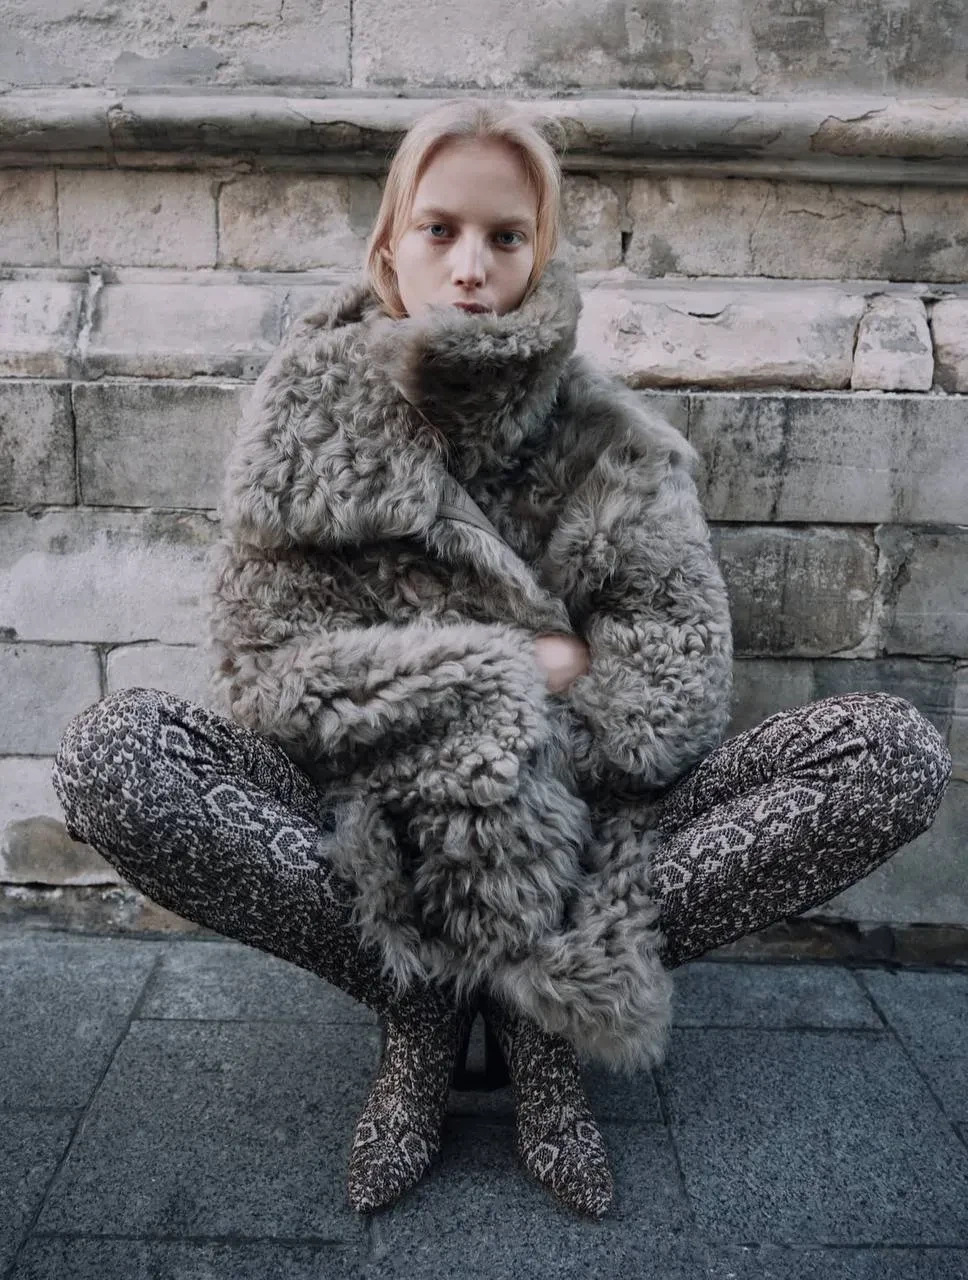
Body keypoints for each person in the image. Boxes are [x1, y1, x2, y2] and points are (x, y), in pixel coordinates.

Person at [51, 98, 952, 1223]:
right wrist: (509, 674)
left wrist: (517, 768)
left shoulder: (612, 446)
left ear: (539, 253)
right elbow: (267, 672)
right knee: (115, 755)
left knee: (887, 753)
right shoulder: (302, 433)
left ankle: (536, 1004)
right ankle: (419, 1001)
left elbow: (670, 685)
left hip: (590, 832)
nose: (470, 266)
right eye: (439, 230)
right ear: (391, 248)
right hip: (367, 837)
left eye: (504, 236)